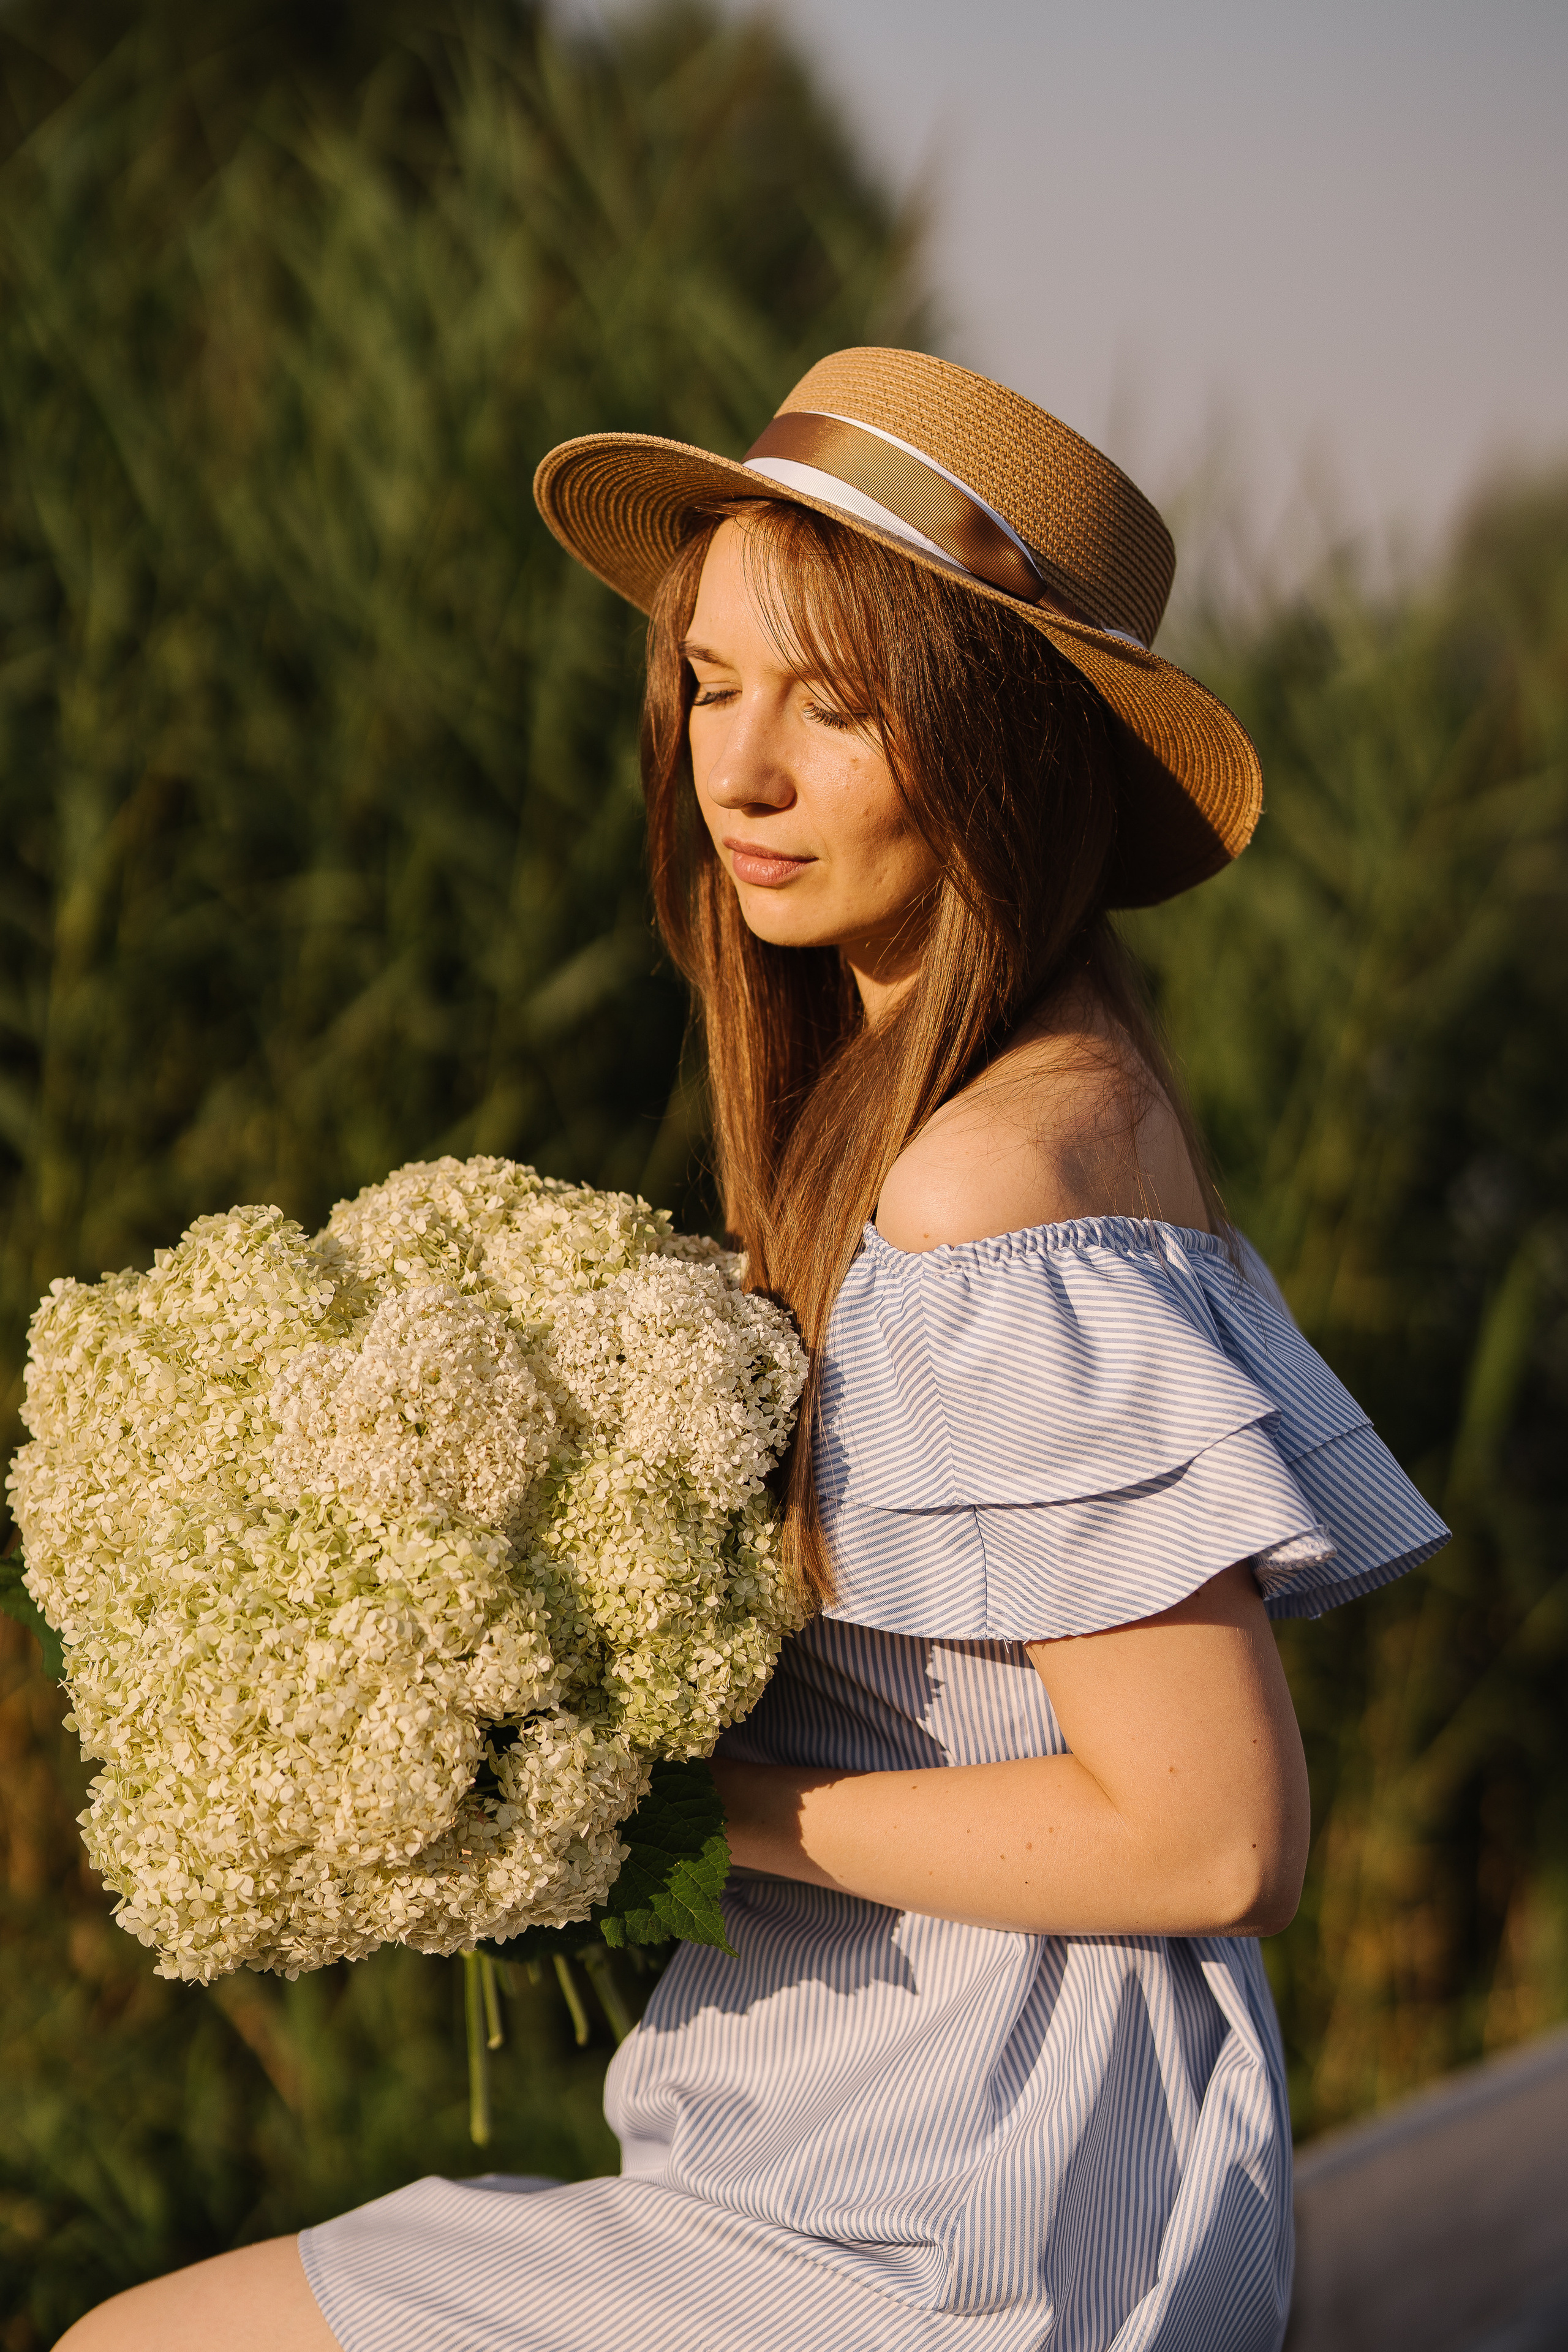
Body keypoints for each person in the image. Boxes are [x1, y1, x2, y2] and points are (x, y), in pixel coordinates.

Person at [62, 349, 1448, 2352]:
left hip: (964, 2219)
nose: (744, 771)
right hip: (894, 2141)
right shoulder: (990, 1084)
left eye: (843, 702)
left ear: (1003, 744)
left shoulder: (986, 1189)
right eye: (713, 683)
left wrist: (666, 1814)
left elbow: (1216, 1830)